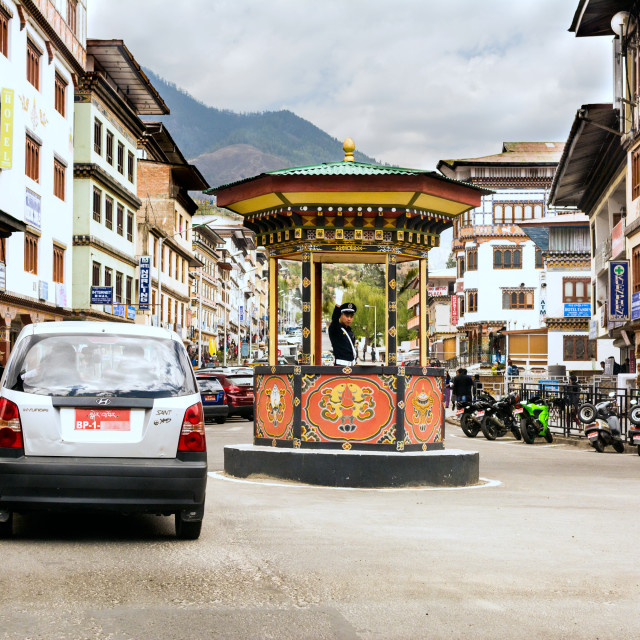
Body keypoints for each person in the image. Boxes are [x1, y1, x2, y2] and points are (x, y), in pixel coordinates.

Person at [328, 288, 358, 366]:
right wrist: (338, 305)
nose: (349, 319)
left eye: (351, 317)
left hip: (351, 367)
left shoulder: (350, 331)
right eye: (347, 316)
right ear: (341, 315)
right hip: (340, 368)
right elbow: (334, 319)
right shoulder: (336, 329)